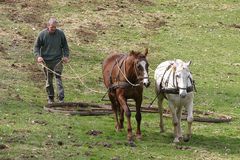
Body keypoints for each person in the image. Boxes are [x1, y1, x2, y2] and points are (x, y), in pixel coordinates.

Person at [33, 18, 70, 104]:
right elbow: (36, 47)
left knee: (58, 78)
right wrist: (38, 56)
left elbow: (65, 46)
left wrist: (66, 56)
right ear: (47, 26)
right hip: (46, 62)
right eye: (51, 27)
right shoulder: (42, 34)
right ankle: (50, 98)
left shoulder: (60, 34)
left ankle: (61, 99)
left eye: (55, 27)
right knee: (49, 80)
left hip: (58, 60)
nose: (53, 29)